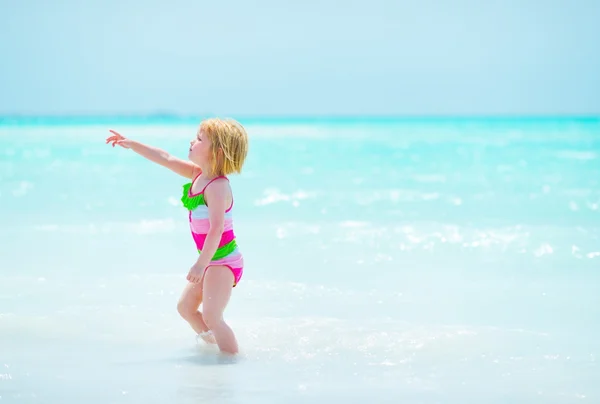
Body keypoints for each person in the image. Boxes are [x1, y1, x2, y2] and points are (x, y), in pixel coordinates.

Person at [105, 118, 248, 355]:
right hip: (210, 260)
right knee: (186, 308)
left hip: (223, 261)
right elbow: (166, 158)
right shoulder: (197, 175)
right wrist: (132, 144)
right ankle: (214, 349)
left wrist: (201, 264)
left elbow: (216, 229)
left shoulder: (218, 187)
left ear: (217, 152)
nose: (193, 140)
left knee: (213, 316)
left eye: (200, 139)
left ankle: (232, 361)